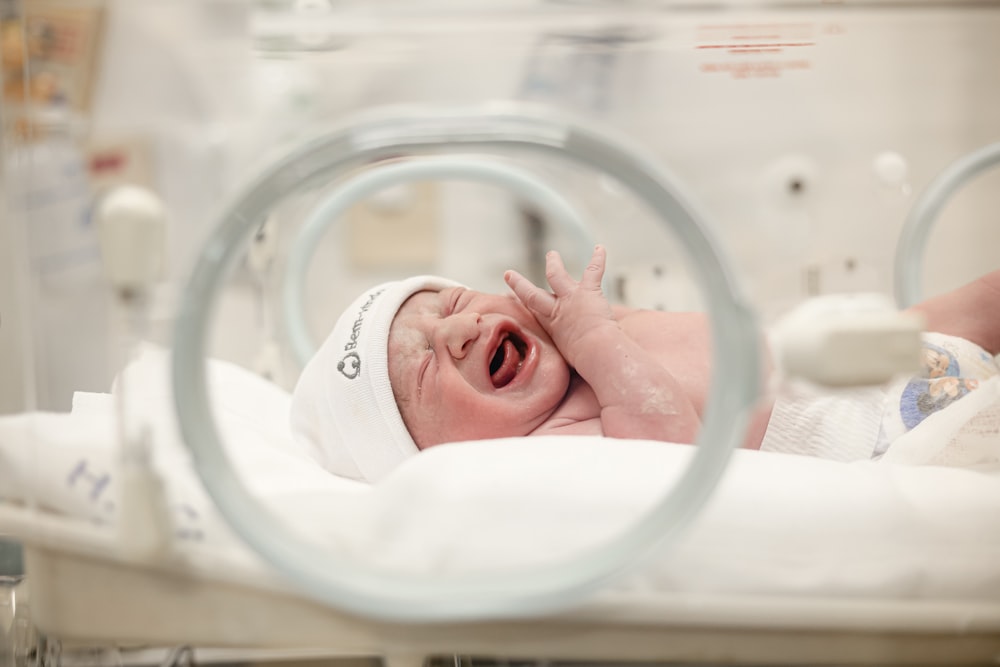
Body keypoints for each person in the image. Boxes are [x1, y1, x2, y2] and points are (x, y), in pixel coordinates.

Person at [290, 246, 1000, 482]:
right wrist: (599, 340)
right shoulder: (547, 448)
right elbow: (669, 460)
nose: (459, 331)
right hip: (892, 440)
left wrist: (592, 328)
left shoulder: (568, 332)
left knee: (972, 303)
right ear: (432, 455)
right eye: (423, 368)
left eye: (449, 303)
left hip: (862, 361)